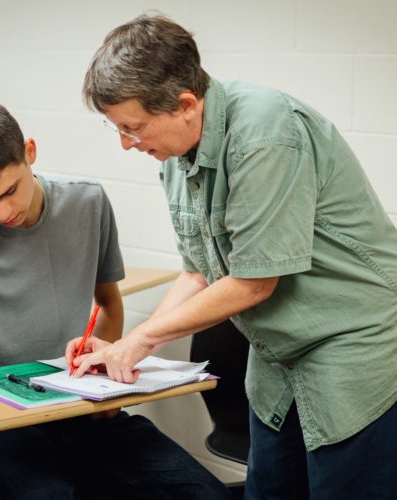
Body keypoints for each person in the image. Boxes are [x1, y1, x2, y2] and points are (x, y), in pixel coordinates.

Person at [69, 14, 397, 500]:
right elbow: (198, 272)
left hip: (350, 348)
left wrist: (137, 340)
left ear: (184, 104)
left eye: (133, 128)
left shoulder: (266, 135)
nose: (127, 144)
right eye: (116, 128)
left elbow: (253, 282)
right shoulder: (175, 155)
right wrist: (125, 350)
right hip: (276, 358)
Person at [0, 98, 230, 500]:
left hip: (77, 410)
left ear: (30, 152)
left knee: (206, 495)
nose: (2, 211)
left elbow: (110, 305)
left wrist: (107, 375)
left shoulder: (87, 201)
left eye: (10, 190)